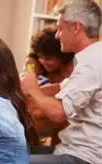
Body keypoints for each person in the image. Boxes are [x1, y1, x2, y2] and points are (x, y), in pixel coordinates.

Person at [21, 0, 102, 163]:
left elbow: (58, 113)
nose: (57, 35)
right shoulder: (92, 57)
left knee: (4, 160)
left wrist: (34, 90)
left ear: (76, 28)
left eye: (60, 28)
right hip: (71, 150)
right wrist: (22, 90)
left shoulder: (91, 65)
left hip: (83, 157)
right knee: (8, 152)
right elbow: (60, 87)